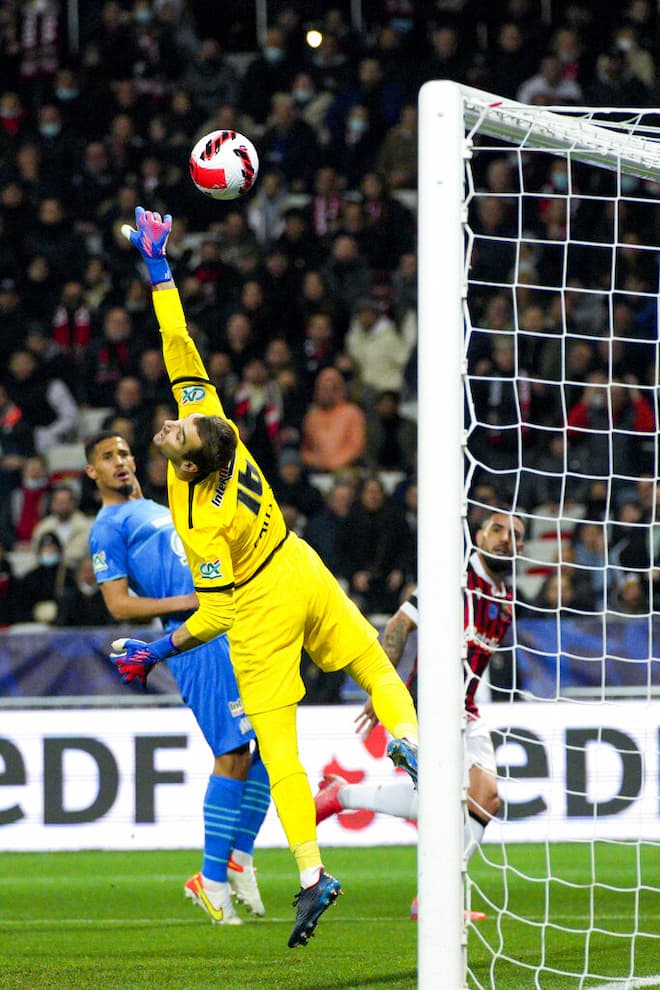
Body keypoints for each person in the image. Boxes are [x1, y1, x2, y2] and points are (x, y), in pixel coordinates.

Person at [114, 206, 418, 949]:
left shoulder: (201, 521)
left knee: (278, 748)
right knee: (374, 661)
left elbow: (215, 614)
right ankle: (409, 738)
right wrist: (159, 270)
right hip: (302, 564)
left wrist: (157, 651)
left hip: (258, 604)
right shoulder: (220, 433)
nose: (169, 423)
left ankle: (313, 874)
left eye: (175, 433)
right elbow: (180, 348)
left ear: (187, 466)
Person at [85, 430, 270, 925]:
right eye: (107, 458)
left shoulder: (159, 508)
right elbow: (119, 604)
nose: (120, 462)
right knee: (232, 753)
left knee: (271, 744)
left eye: (124, 452)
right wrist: (190, 602)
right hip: (193, 639)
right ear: (92, 473)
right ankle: (211, 881)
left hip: (226, 627)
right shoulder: (108, 526)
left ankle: (238, 856)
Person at [314, 511, 525, 918]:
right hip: (429, 704)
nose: (505, 539)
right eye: (497, 530)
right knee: (463, 800)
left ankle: (341, 795)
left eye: (515, 534)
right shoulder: (454, 578)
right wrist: (382, 686)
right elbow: (399, 625)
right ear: (479, 535)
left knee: (480, 799)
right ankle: (434, 897)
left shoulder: (506, 601)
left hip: (467, 709)